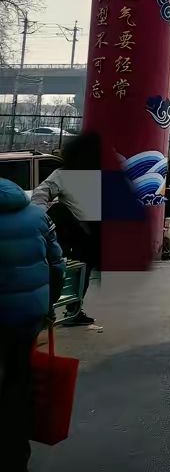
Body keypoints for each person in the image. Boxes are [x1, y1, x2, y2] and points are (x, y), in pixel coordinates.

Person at [0, 177, 66, 472]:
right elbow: (57, 265)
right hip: (26, 318)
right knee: (17, 383)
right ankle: (15, 458)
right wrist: (48, 305)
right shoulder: (37, 216)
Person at [30, 133, 100, 326]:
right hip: (73, 230)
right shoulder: (62, 174)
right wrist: (42, 216)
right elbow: (40, 194)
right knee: (62, 270)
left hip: (92, 232)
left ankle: (74, 309)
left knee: (83, 272)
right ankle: (49, 310)